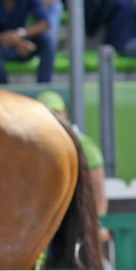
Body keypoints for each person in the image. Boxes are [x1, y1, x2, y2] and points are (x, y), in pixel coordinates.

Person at [36, 90, 110, 243]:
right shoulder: (33, 148)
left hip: (79, 223)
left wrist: (99, 224)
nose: (52, 118)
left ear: (65, 113)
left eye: (55, 112)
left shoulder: (85, 145)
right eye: (46, 113)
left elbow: (98, 188)